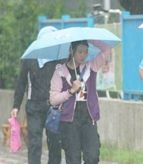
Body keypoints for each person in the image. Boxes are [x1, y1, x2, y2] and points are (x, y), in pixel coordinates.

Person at [49, 39, 110, 164]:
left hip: (88, 118)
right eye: (80, 52)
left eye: (86, 52)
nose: (83, 55)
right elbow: (53, 100)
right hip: (69, 120)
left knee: (93, 156)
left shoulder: (90, 67)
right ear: (72, 51)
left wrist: (91, 38)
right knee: (73, 158)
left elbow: (106, 50)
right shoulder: (60, 72)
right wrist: (70, 91)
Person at [11, 26, 62, 164]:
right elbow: (21, 83)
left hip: (53, 108)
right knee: (34, 142)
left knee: (55, 143)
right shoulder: (29, 59)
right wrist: (16, 106)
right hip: (34, 107)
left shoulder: (58, 60)